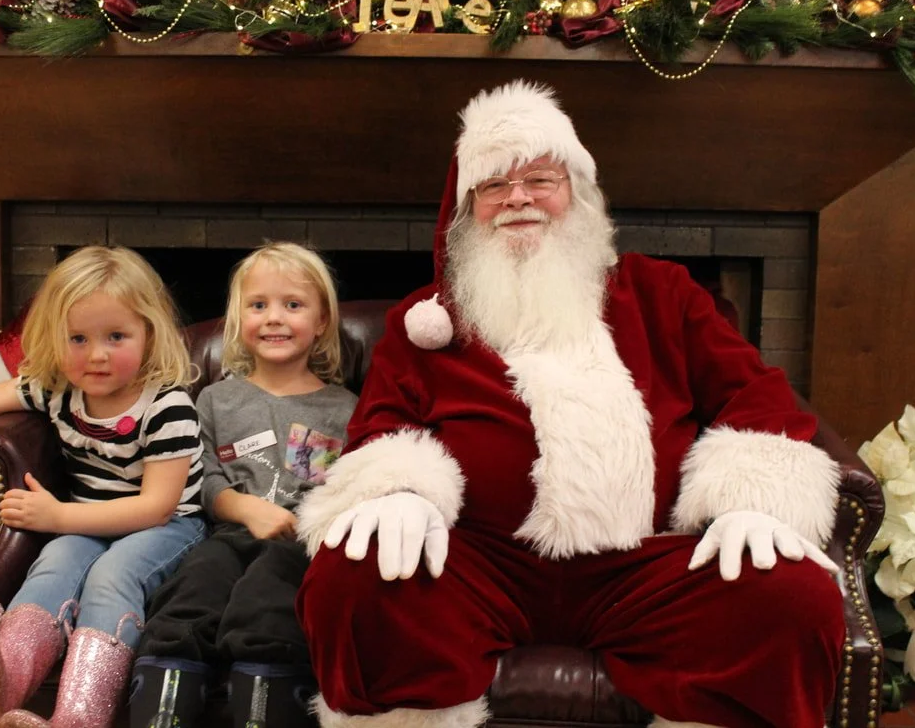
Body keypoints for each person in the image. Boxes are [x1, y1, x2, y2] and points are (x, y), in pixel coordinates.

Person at [294, 80, 845, 728]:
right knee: (354, 574)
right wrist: (397, 492)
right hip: (477, 564)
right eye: (495, 185)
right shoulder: (426, 324)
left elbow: (757, 393)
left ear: (578, 193)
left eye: (540, 178)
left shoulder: (664, 294)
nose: (518, 198)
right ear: (469, 208)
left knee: (790, 594)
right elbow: (381, 423)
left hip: (645, 563)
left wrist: (755, 501)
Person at [0, 245, 208, 728]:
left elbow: (157, 507)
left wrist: (58, 516)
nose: (96, 355)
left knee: (111, 576)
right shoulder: (56, 388)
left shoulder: (168, 407)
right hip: (87, 520)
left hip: (167, 528)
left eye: (116, 336)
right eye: (77, 338)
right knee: (52, 566)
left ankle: (79, 716)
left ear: (149, 333)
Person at [129, 242, 358, 728]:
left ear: (321, 322)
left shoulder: (346, 409)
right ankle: (163, 706)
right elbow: (204, 479)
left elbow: (351, 486)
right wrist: (246, 509)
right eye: (258, 306)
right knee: (192, 590)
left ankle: (265, 703)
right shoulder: (215, 400)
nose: (274, 318)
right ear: (239, 320)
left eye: (292, 305)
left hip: (301, 543)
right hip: (228, 536)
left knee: (269, 602)